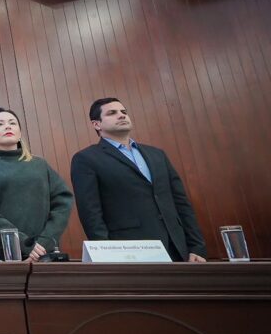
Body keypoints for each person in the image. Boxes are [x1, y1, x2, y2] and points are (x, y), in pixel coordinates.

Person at [70, 97, 207, 262]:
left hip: (177, 248)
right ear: (97, 124)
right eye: (112, 113)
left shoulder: (157, 155)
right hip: (129, 250)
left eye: (123, 112)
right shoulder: (86, 159)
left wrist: (196, 247)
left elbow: (181, 203)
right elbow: (90, 213)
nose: (121, 115)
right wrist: (106, 254)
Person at [0, 107, 73, 261]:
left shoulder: (40, 164)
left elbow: (63, 202)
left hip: (41, 251)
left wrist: (45, 241)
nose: (7, 126)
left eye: (12, 123)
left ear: (20, 132)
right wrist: (22, 242)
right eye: (0, 124)